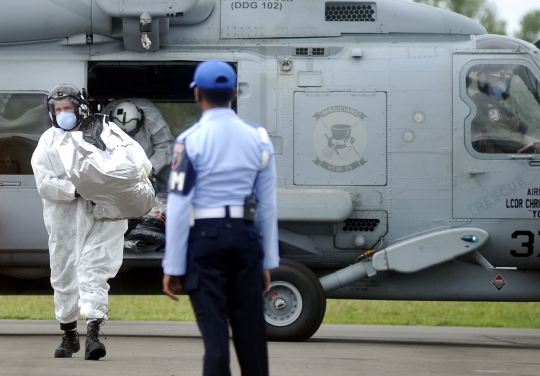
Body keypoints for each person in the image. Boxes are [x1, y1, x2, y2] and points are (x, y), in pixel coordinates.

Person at [162, 60, 280, 376]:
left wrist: (173, 266)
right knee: (252, 338)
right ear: (233, 94)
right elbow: (267, 205)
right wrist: (266, 260)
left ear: (197, 94)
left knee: (216, 341)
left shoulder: (188, 141)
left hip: (206, 239)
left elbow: (177, 205)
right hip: (245, 238)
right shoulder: (259, 138)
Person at [31, 84, 128, 360]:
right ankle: (69, 335)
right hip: (63, 221)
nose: (63, 114)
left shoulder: (102, 132)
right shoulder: (47, 142)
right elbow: (44, 182)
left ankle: (94, 335)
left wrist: (101, 188)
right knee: (64, 274)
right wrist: (76, 189)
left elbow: (122, 165)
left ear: (80, 108)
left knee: (93, 269)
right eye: (58, 110)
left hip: (102, 216)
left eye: (68, 109)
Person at [105, 99, 174, 192]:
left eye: (132, 133)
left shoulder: (153, 117)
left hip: (152, 162)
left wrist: (148, 170)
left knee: (159, 196)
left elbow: (167, 146)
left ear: (141, 123)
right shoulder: (105, 118)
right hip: (118, 169)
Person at [470, 65, 530, 153]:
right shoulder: (489, 108)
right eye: (495, 79)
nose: (501, 83)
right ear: (483, 82)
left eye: (504, 80)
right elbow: (512, 145)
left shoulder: (491, 104)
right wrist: (519, 137)